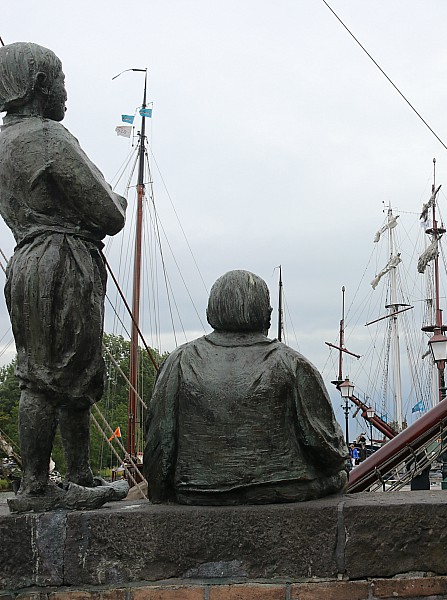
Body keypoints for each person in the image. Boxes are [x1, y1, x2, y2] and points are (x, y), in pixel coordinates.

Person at [0, 43, 128, 510]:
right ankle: (38, 484)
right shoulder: (50, 138)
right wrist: (118, 203)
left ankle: (78, 476)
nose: (65, 92)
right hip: (63, 261)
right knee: (52, 374)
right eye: (60, 81)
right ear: (37, 84)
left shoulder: (3, 141)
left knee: (61, 370)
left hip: (26, 260)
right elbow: (108, 212)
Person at [144, 270, 349, 505]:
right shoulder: (293, 364)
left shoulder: (179, 361)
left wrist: (160, 494)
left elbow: (159, 442)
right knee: (340, 477)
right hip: (283, 490)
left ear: (210, 312)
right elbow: (323, 445)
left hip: (197, 493)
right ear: (267, 315)